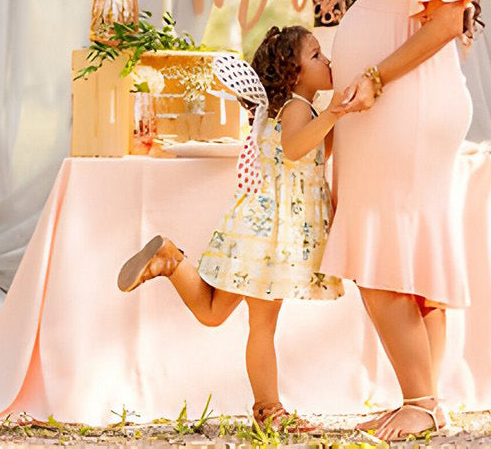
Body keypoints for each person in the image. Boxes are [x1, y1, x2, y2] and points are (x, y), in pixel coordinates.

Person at [322, 0, 482, 441]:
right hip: (394, 107)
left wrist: (376, 78)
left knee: (384, 250)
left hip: (402, 108)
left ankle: (419, 399)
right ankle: (426, 402)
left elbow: (446, 21)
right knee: (410, 252)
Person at [116, 25, 344, 433]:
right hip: (269, 233)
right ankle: (268, 409)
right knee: (262, 324)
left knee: (213, 313)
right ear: (292, 74)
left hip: (261, 228)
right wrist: (335, 113)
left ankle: (171, 259)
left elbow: (311, 152)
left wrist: (337, 124)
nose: (326, 61)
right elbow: (294, 148)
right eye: (316, 56)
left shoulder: (296, 111)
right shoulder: (296, 109)